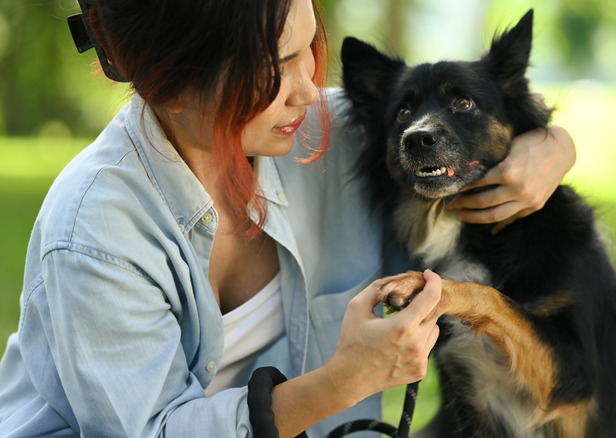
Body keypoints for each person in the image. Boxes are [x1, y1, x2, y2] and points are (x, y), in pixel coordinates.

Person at [0, 0, 576, 436]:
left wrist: (552, 144)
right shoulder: (96, 231)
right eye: (279, 65)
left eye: (310, 50)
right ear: (172, 85)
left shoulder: (337, 135)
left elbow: (479, 123)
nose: (308, 90)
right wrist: (342, 381)